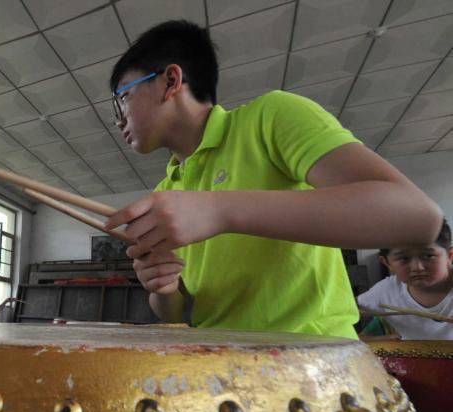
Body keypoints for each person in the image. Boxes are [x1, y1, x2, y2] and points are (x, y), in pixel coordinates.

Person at [102, 20, 442, 339]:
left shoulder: (270, 119)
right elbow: (182, 314)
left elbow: (416, 217)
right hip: (218, 364)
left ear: (171, 80)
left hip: (313, 364)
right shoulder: (167, 192)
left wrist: (219, 210)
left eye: (123, 98)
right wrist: (164, 290)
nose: (118, 121)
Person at [358, 220, 453, 340]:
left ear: (449, 256)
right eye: (404, 258)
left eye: (429, 256)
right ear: (387, 263)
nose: (417, 267)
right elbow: (343, 313)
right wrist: (373, 339)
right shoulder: (386, 290)